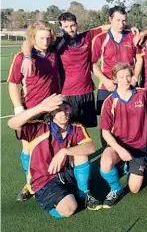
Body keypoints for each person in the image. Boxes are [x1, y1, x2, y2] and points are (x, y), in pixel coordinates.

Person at [7, 94, 101, 218]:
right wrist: (40, 107)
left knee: (81, 153)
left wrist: (64, 151)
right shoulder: (39, 128)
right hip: (44, 180)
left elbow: (90, 147)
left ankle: (84, 194)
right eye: (58, 110)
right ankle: (44, 198)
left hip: (65, 173)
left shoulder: (76, 128)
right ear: (51, 113)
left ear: (70, 109)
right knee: (69, 209)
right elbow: (12, 123)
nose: (63, 113)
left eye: (66, 109)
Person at [21, 13, 109, 127]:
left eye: (72, 25)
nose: (70, 29)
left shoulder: (86, 37)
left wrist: (129, 27)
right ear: (61, 27)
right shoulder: (56, 42)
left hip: (87, 92)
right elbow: (27, 42)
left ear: (77, 24)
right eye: (66, 27)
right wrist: (27, 56)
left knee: (86, 129)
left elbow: (108, 26)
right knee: (67, 129)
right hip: (67, 94)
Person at [8, 20, 60, 201]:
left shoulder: (53, 51)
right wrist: (18, 109)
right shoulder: (22, 57)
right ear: (33, 38)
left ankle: (55, 178)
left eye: (48, 38)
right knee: (28, 149)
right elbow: (13, 84)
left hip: (52, 109)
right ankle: (30, 183)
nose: (45, 41)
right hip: (30, 110)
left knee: (54, 145)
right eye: (41, 38)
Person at [99, 63, 147, 209]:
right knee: (105, 163)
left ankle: (136, 161)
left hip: (138, 147)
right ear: (115, 79)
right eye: (121, 77)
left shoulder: (142, 94)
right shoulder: (110, 101)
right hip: (118, 146)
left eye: (128, 75)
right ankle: (116, 189)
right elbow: (105, 132)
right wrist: (120, 150)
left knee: (134, 189)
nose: (126, 79)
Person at [92, 6, 143, 115]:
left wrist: (134, 78)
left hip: (129, 85)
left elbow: (139, 59)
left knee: (131, 121)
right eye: (118, 20)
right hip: (108, 87)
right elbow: (92, 64)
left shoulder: (132, 36)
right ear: (110, 19)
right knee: (107, 124)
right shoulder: (100, 38)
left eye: (124, 20)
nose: (121, 24)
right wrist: (105, 81)